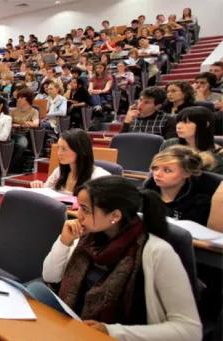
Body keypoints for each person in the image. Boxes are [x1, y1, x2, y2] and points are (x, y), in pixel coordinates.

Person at [42, 176, 202, 340]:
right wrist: (64, 242)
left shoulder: (157, 252)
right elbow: (50, 277)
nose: (78, 215)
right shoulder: (87, 238)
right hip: (73, 330)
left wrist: (111, 331)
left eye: (86, 210)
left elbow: (190, 330)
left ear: (115, 216)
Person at [144, 146, 223, 230]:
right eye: (155, 168)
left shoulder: (199, 204)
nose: (157, 174)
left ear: (187, 173)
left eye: (167, 170)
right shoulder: (146, 192)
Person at [31, 129, 111, 193]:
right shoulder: (59, 171)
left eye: (64, 149)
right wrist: (39, 186)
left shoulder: (100, 177)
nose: (59, 153)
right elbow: (46, 192)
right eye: (58, 148)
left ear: (79, 151)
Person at [160, 106, 223, 174]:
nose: (178, 126)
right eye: (178, 122)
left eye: (187, 122)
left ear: (206, 124)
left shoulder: (218, 155)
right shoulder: (169, 144)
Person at [9, 88, 40, 171]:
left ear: (28, 99)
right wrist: (20, 125)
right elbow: (8, 123)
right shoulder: (13, 111)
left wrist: (29, 123)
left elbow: (36, 123)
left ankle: (11, 166)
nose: (18, 99)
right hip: (11, 133)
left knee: (21, 144)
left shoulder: (34, 111)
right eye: (18, 97)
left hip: (24, 134)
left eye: (21, 98)